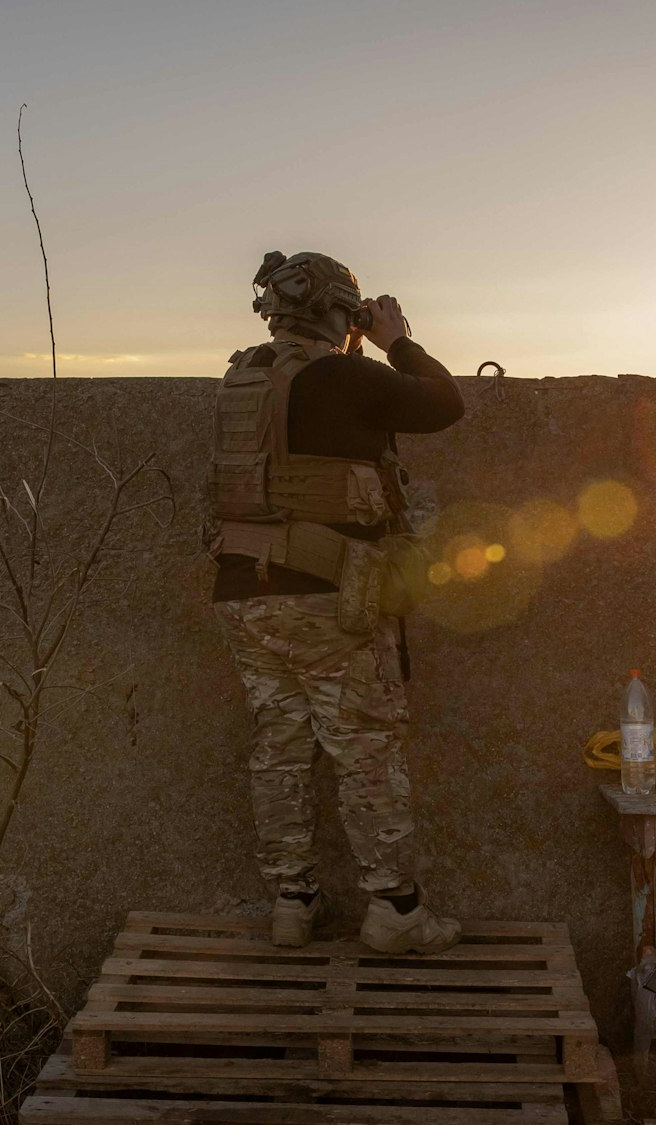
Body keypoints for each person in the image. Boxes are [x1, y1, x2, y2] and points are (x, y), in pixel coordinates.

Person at [205, 250, 464, 954]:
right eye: (351, 317)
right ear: (338, 314)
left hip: (244, 594)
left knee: (280, 749)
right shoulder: (346, 374)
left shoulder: (240, 380)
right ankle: (396, 911)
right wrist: (396, 338)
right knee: (365, 750)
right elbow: (444, 402)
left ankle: (292, 902)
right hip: (327, 596)